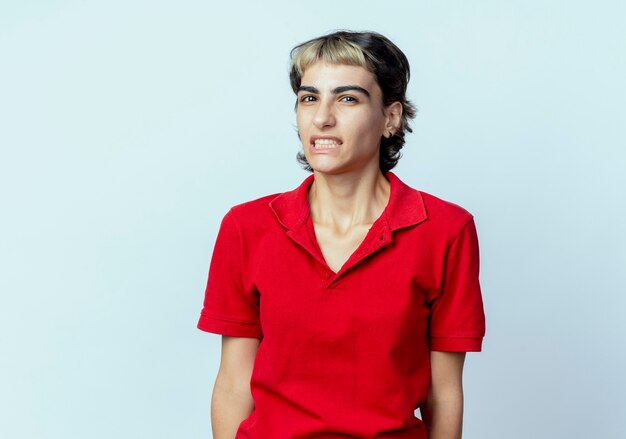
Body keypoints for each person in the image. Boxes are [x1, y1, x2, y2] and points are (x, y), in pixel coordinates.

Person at [198, 30, 486, 439]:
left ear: (391, 117)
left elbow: (443, 393)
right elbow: (232, 385)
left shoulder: (445, 230)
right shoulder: (246, 227)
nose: (322, 117)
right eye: (309, 98)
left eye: (347, 98)